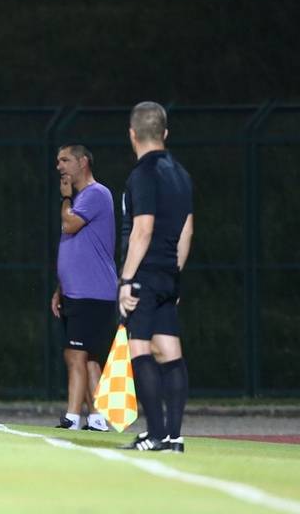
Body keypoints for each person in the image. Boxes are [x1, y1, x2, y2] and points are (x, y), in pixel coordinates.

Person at [117, 102, 193, 453]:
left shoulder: (143, 174)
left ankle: (156, 434)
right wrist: (173, 274)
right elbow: (187, 231)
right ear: (165, 134)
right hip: (168, 274)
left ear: (132, 134)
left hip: (145, 273)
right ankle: (174, 438)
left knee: (140, 349)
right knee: (170, 350)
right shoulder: (180, 174)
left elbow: (142, 230)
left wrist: (126, 280)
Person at [50, 144, 117, 431]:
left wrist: (65, 199)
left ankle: (73, 417)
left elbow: (69, 226)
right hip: (78, 291)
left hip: (92, 292)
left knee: (74, 354)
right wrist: (60, 287)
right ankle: (99, 417)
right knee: (88, 357)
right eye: (57, 161)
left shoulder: (95, 194)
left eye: (65, 160)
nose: (59, 166)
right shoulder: (83, 199)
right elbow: (76, 249)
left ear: (83, 162)